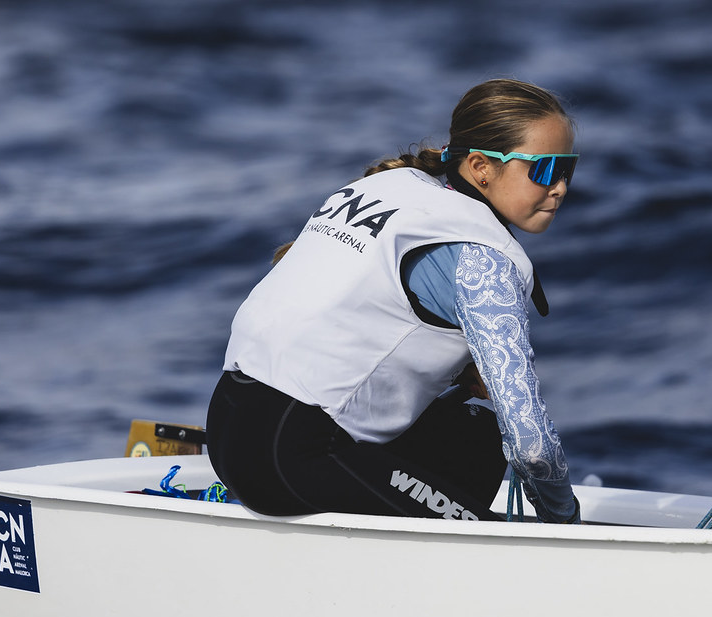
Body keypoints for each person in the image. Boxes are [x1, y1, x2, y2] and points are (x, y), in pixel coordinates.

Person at [207, 78, 581, 523]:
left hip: (228, 421)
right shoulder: (485, 261)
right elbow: (531, 446)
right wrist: (564, 521)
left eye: (568, 170)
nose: (560, 187)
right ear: (481, 166)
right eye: (545, 170)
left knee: (476, 435)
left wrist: (461, 368)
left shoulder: (395, 187)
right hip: (290, 455)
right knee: (491, 528)